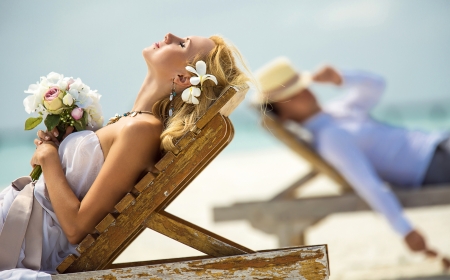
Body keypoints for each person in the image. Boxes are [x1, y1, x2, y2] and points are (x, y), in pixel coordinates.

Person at [0, 33, 250, 279]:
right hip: (18, 221)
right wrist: (60, 148)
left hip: (22, 234)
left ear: (183, 77)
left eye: (183, 44)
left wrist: (50, 158)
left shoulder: (141, 129)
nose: (170, 35)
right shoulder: (131, 121)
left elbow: (77, 228)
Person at [254, 57, 450, 268]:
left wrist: (341, 77)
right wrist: (405, 230)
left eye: (301, 86)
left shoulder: (339, 110)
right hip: (430, 164)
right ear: (282, 114)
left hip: (438, 145)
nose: (304, 92)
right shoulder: (331, 138)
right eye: (291, 96)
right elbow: (367, 184)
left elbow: (376, 85)